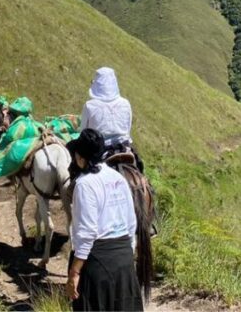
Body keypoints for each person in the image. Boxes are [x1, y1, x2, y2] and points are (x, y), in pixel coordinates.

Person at [66, 128, 142, 312]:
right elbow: (131, 223)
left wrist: (75, 271)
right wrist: (126, 254)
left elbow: (87, 233)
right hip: (124, 259)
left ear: (80, 157)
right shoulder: (118, 178)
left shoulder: (84, 184)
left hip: (97, 264)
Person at [80, 67, 141, 170]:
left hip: (100, 150)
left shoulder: (89, 106)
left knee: (73, 155)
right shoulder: (125, 103)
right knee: (139, 167)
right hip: (124, 147)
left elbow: (83, 133)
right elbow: (128, 129)